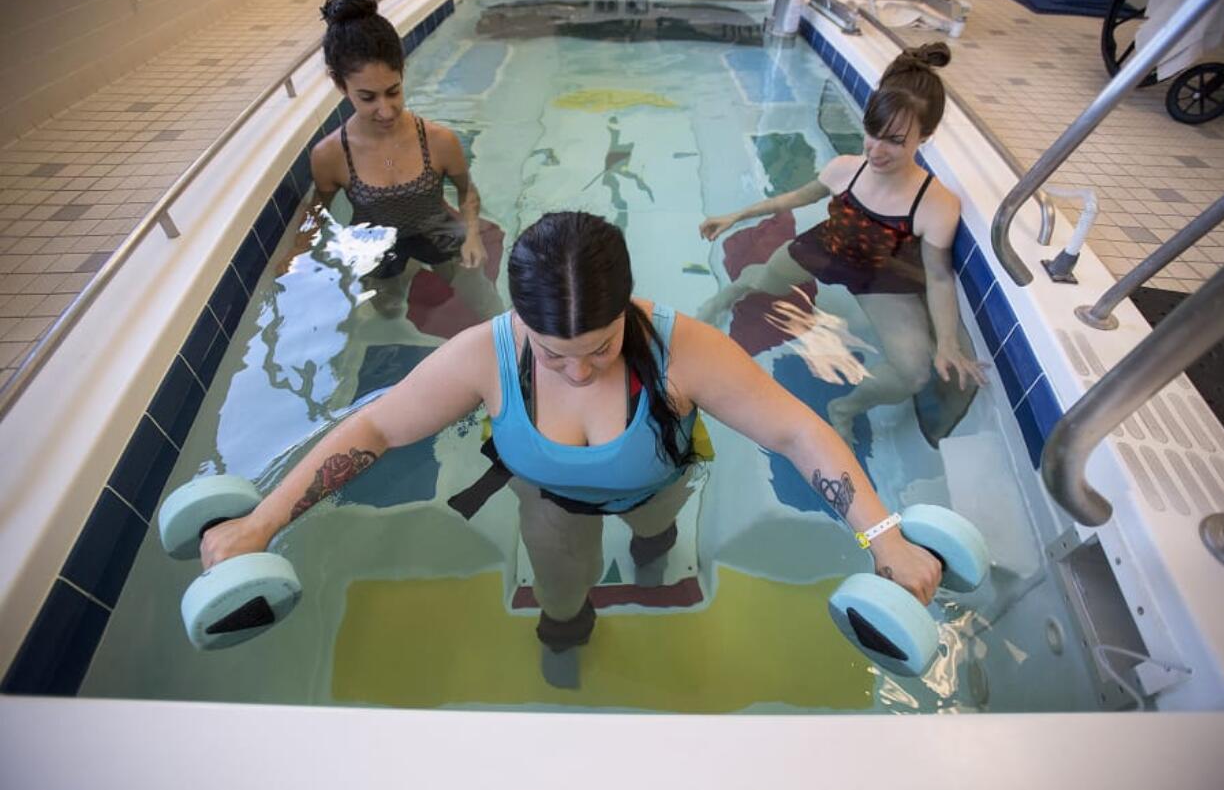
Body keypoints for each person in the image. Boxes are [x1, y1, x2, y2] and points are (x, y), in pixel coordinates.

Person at [201, 211, 942, 660]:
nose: (581, 373)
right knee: (561, 600)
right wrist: (263, 521)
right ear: (521, 318)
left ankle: (652, 546)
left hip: (660, 479)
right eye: (556, 355)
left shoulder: (678, 347)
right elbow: (373, 426)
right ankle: (568, 632)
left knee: (655, 534)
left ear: (627, 306)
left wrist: (884, 534)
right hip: (552, 502)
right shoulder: (484, 354)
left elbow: (795, 430)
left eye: (601, 346)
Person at [696, 43, 988, 439]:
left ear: (927, 136)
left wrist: (948, 343)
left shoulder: (935, 205)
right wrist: (736, 216)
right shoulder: (845, 170)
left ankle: (845, 406)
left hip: (880, 275)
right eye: (873, 132)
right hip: (825, 249)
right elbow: (793, 199)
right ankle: (724, 298)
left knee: (915, 372)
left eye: (895, 141)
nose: (877, 151)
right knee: (759, 281)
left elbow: (938, 278)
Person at [285, 0, 503, 322]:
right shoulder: (331, 155)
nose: (385, 110)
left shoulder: (439, 140)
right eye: (367, 97)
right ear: (340, 85)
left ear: (403, 72)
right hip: (375, 242)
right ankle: (403, 275)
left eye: (393, 91)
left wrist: (472, 235)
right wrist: (298, 253)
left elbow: (467, 192)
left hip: (437, 229)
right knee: (388, 313)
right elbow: (319, 208)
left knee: (486, 305)